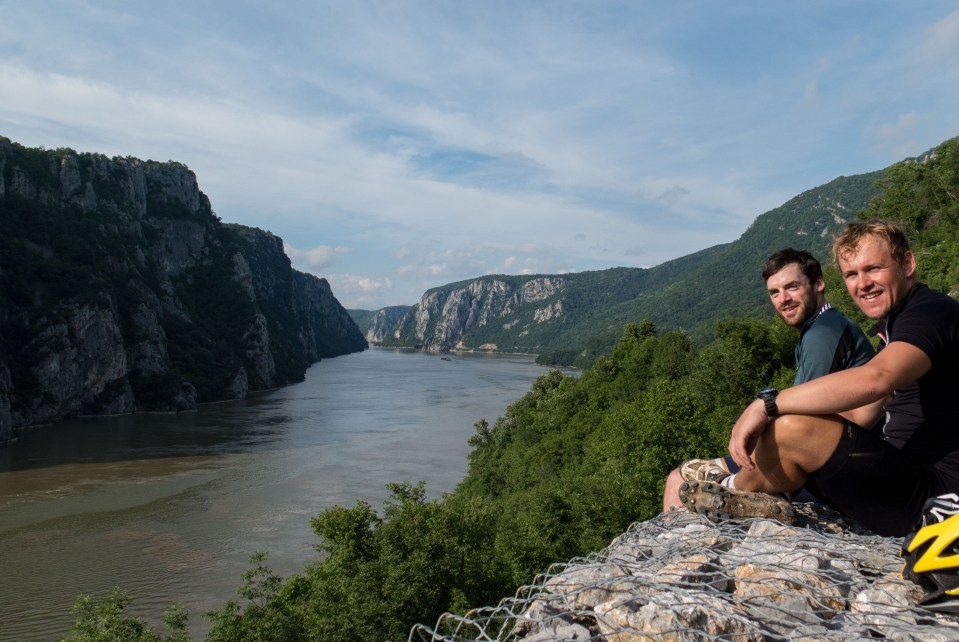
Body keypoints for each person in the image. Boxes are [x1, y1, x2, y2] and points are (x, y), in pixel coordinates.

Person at [679, 219, 959, 537]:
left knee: (790, 426)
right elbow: (861, 413)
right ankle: (755, 492)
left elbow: (876, 379)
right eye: (852, 274)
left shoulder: (929, 313)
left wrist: (767, 405)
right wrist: (781, 440)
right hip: (908, 480)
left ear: (907, 264)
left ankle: (730, 489)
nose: (863, 283)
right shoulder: (898, 326)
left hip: (938, 498)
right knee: (793, 428)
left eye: (873, 269)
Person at [662, 247, 875, 512]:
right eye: (775, 292)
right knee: (686, 476)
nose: (783, 299)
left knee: (679, 479)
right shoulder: (824, 326)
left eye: (792, 287)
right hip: (835, 455)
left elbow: (803, 421)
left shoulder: (823, 333)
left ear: (818, 284)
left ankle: (732, 491)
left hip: (836, 467)